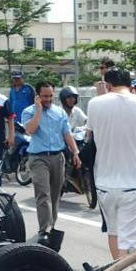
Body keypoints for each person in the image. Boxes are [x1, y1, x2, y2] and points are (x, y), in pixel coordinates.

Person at [87, 67, 136, 259]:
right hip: (133, 184)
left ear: (108, 84)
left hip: (104, 184)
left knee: (114, 233)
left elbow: (90, 134)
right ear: (132, 85)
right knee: (129, 241)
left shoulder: (95, 104)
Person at [21, 82, 82, 239]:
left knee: (55, 196)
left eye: (50, 96)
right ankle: (44, 230)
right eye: (44, 96)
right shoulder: (29, 112)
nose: (48, 99)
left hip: (57, 157)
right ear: (37, 96)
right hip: (38, 158)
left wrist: (75, 152)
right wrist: (39, 111)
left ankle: (51, 227)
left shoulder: (60, 113)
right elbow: (30, 130)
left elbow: (66, 133)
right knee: (43, 193)